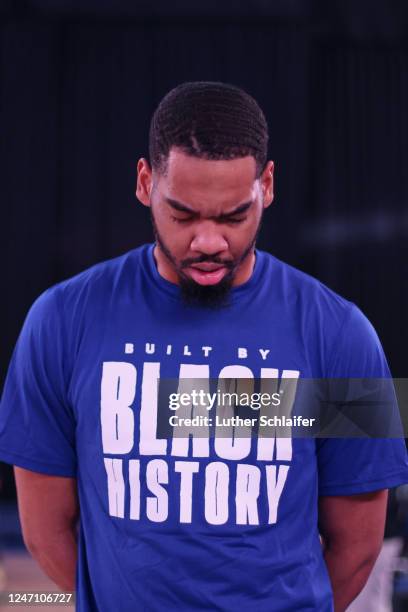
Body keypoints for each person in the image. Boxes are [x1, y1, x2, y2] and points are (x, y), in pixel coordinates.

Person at [0, 81, 407, 612]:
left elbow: (358, 546)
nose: (209, 241)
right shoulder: (60, 320)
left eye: (234, 216)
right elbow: (44, 531)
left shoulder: (343, 332)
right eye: (184, 214)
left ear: (267, 185)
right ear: (146, 183)